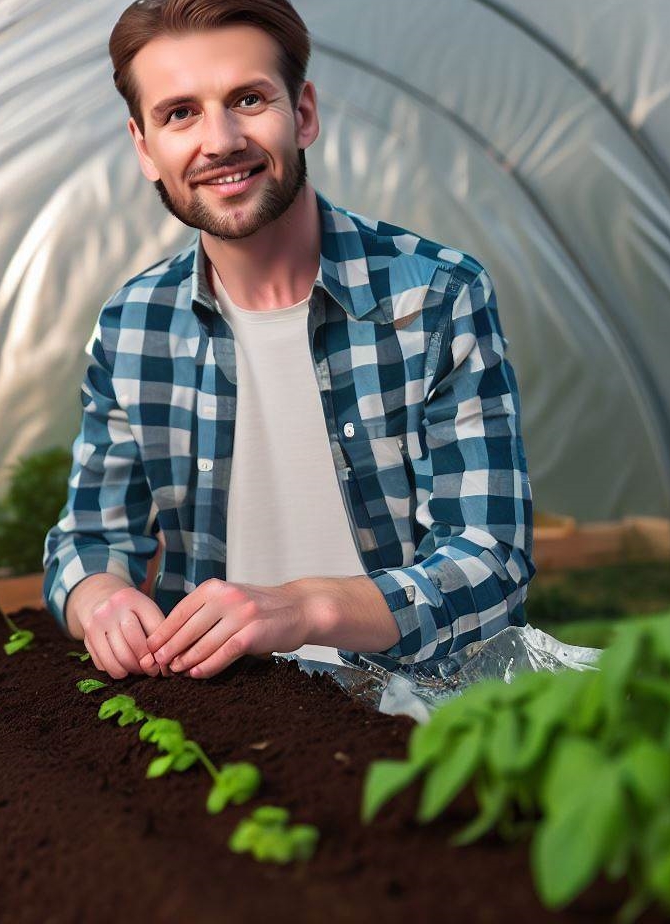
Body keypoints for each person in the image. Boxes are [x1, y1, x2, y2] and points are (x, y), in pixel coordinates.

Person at [43, 0, 535, 681]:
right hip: (219, 717)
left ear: (302, 113)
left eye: (247, 99)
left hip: (417, 716)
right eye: (179, 113)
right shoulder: (134, 327)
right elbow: (90, 536)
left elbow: (491, 557)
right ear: (145, 147)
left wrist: (305, 608)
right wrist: (100, 598)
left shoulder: (435, 296)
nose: (219, 141)